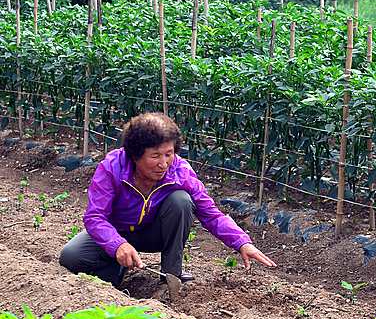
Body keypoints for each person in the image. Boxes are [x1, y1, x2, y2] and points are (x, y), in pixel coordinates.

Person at [59, 113, 276, 287]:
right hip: (118, 230)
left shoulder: (180, 171)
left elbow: (210, 213)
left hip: (155, 232)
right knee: (71, 256)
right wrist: (117, 245)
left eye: (169, 153)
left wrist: (242, 243)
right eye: (155, 156)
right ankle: (116, 271)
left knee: (181, 200)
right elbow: (95, 217)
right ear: (135, 155)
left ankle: (171, 275)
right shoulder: (112, 167)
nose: (164, 163)